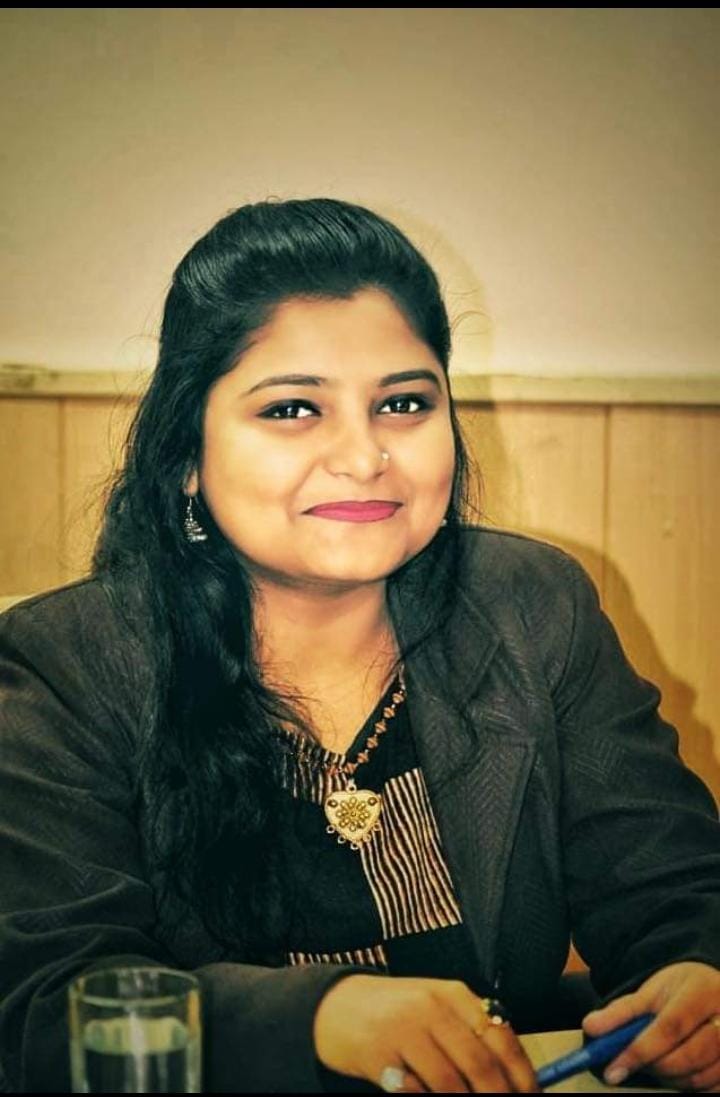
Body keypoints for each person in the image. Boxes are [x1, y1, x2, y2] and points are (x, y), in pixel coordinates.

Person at [0, 198, 718, 1095]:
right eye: (294, 408)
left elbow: (672, 884)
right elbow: (43, 1003)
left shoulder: (534, 605)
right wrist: (319, 1018)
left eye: (404, 403)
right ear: (186, 455)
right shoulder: (64, 663)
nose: (365, 454)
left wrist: (696, 972)